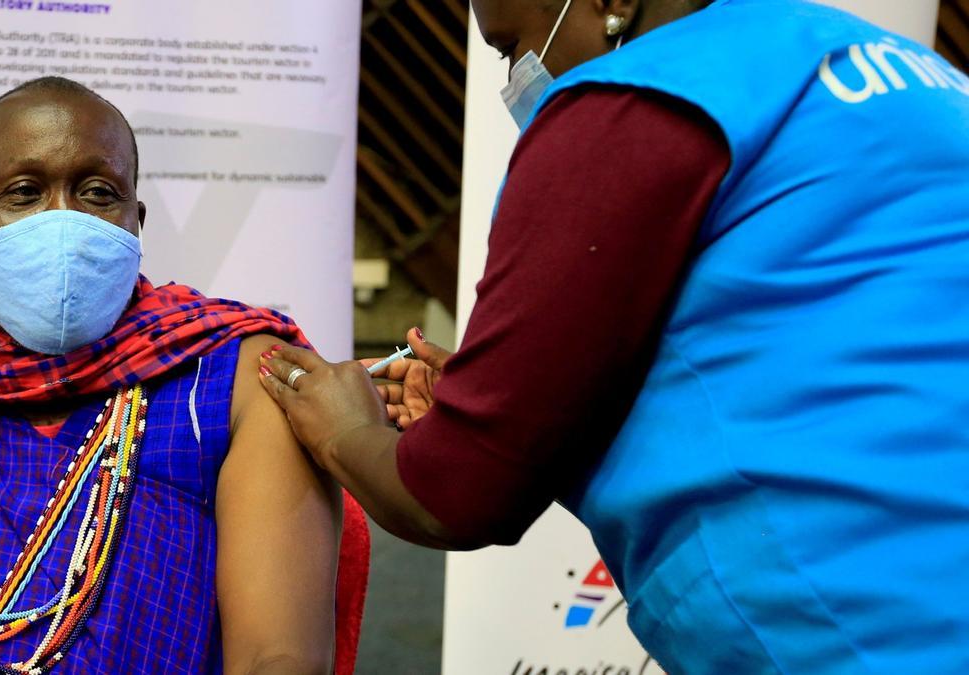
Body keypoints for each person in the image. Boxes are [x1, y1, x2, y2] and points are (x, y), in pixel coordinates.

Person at [257, 0, 969, 672]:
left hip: (869, 619)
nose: (520, 78)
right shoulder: (898, 69)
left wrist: (344, 431)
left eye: (514, 45)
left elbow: (456, 495)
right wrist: (510, 401)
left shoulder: (635, 98)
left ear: (612, 2)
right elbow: (800, 344)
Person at [0, 77, 364, 675]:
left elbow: (279, 658)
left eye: (98, 192)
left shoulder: (237, 378)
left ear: (135, 222)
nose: (62, 222)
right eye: (23, 192)